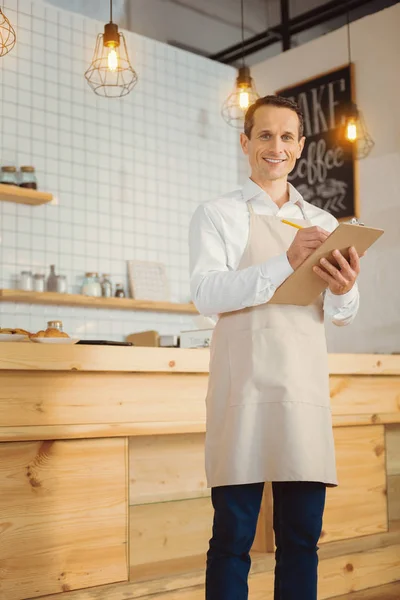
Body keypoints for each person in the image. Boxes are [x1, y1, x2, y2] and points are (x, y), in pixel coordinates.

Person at [188, 95, 361, 600]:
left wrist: (346, 288)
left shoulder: (325, 224)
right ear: (245, 142)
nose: (276, 147)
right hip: (241, 391)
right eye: (265, 135)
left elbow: (346, 314)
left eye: (287, 137)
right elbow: (207, 294)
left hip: (301, 392)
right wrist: (285, 262)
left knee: (302, 538)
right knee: (232, 538)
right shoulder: (217, 214)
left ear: (301, 147)